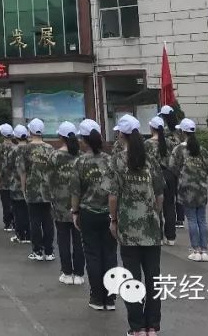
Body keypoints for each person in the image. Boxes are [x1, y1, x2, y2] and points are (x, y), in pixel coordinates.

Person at [109, 114, 165, 336]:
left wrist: (113, 220)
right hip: (151, 227)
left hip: (128, 227)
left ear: (122, 134)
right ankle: (153, 326)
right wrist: (153, 213)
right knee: (153, 277)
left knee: (132, 278)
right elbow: (160, 193)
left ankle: (137, 327)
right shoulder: (150, 160)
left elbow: (113, 196)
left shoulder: (117, 161)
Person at [71, 119, 116, 312]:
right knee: (110, 254)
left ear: (83, 140)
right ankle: (110, 298)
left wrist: (75, 212)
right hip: (108, 213)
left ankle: (97, 297)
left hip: (88, 213)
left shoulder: (80, 161)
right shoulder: (110, 160)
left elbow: (75, 191)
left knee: (92, 254)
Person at [170, 117, 208, 261]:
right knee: (202, 220)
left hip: (186, 189)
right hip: (201, 189)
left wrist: (183, 175)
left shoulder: (179, 149)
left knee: (192, 220)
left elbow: (172, 167)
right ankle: (204, 251)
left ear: (182, 132)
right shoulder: (202, 150)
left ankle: (196, 250)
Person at [49, 121, 84, 284]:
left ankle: (66, 272)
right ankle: (79, 274)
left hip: (60, 204)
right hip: (80, 205)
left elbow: (48, 180)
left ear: (60, 137)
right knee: (79, 240)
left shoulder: (54, 156)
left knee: (63, 239)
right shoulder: (82, 156)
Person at [23, 118, 55, 261]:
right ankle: (49, 251)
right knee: (48, 220)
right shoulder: (50, 148)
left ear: (30, 131)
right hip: (48, 190)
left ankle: (36, 251)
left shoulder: (26, 148)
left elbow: (23, 171)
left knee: (34, 220)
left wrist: (23, 189)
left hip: (32, 189)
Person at [149, 115, 175, 246]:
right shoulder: (169, 142)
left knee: (156, 205)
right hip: (169, 174)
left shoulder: (147, 144)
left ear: (151, 128)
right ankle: (171, 237)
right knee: (169, 206)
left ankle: (158, 235)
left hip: (155, 176)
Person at [159, 105, 185, 230]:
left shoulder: (165, 132)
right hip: (180, 166)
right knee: (178, 193)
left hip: (168, 167)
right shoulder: (180, 130)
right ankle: (180, 218)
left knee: (169, 198)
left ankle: (172, 219)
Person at [9, 125, 31, 244]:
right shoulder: (30, 148)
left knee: (18, 211)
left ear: (16, 136)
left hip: (16, 185)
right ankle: (29, 234)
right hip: (30, 184)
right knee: (29, 212)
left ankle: (20, 235)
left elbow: (9, 165)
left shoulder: (14, 150)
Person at [0, 124, 15, 231]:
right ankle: (16, 222)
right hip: (15, 180)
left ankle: (7, 223)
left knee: (5, 202)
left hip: (3, 179)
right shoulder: (16, 147)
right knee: (15, 202)